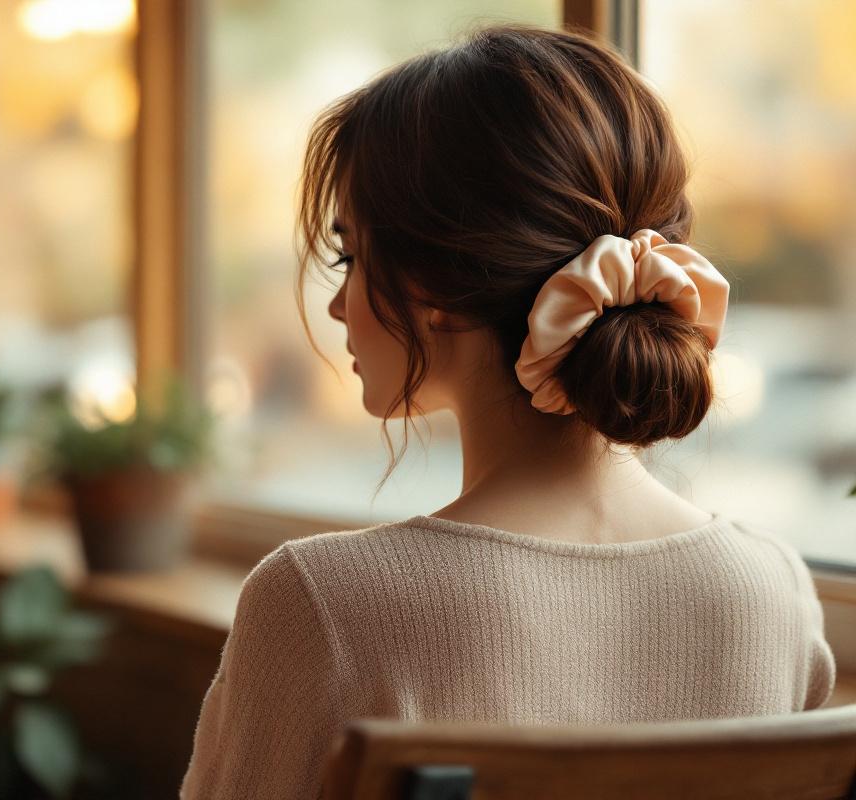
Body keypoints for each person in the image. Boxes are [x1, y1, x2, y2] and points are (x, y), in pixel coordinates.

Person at [178, 22, 836, 800]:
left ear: (437, 290)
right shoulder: (774, 591)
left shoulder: (321, 605)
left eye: (354, 257)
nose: (335, 304)